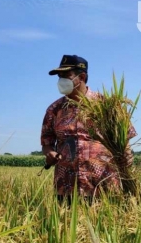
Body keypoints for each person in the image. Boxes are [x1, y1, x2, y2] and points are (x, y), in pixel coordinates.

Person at [40, 55, 136, 205]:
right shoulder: (54, 109)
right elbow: (46, 141)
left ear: (82, 77)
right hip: (66, 186)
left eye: (66, 76)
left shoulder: (107, 105)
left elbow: (124, 137)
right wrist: (49, 153)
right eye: (60, 77)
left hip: (103, 184)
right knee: (65, 226)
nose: (61, 80)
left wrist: (127, 153)